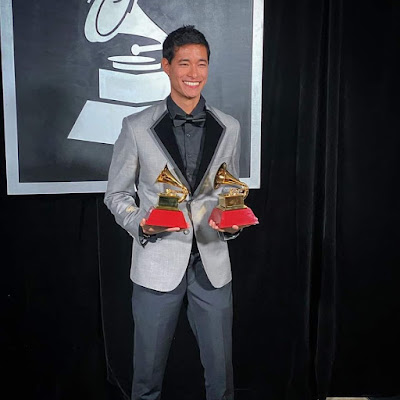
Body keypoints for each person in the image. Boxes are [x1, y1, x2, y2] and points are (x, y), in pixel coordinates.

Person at [104, 25, 257, 400]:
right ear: (166, 66)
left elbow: (227, 187)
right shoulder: (137, 127)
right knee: (146, 379)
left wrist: (231, 222)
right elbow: (117, 194)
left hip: (212, 264)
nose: (194, 73)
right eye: (184, 63)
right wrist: (140, 224)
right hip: (156, 265)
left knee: (221, 380)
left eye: (201, 63)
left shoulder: (230, 127)